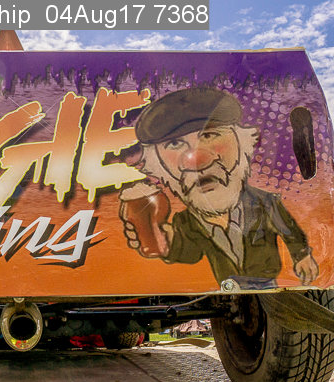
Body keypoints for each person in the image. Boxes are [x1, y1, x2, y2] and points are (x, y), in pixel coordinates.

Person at [122, 87, 318, 289]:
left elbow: (288, 229)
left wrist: (302, 255)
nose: (197, 160)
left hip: (265, 284)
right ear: (159, 163)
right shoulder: (185, 221)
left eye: (209, 135)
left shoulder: (264, 202)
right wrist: (168, 242)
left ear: (241, 141)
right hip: (226, 287)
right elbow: (192, 253)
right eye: (174, 144)